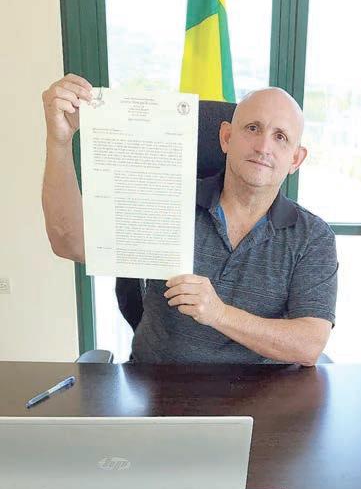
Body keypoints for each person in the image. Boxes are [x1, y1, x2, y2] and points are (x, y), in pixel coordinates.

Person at [42, 74, 338, 365]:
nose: (263, 147)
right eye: (252, 128)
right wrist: (59, 142)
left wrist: (219, 314)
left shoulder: (312, 237)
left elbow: (309, 345)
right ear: (226, 137)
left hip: (262, 392)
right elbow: (70, 243)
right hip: (158, 385)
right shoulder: (169, 201)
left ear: (295, 159)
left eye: (280, 137)